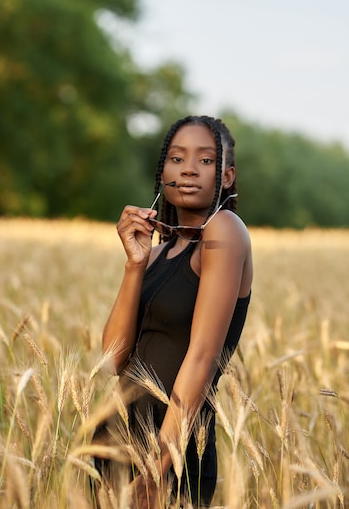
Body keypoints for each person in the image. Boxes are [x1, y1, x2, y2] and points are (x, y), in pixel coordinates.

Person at [95, 115, 253, 508]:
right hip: (111, 444)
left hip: (175, 452)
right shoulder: (157, 254)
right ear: (162, 171)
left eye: (205, 160)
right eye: (177, 158)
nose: (188, 169)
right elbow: (114, 359)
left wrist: (160, 464)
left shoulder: (225, 231)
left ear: (227, 177)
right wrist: (134, 263)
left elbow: (202, 356)